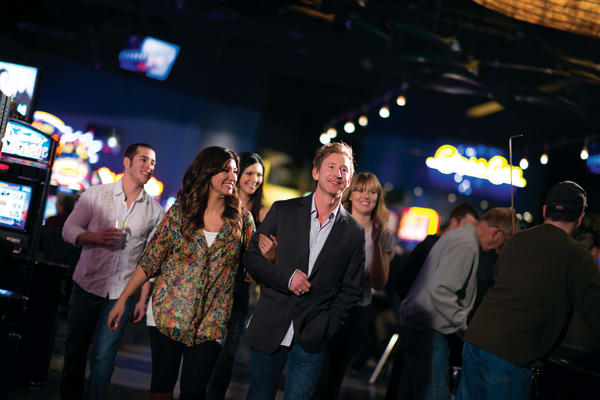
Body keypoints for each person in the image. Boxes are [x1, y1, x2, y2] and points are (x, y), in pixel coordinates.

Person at [107, 146, 255, 400]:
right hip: (168, 313)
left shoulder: (243, 221)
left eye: (234, 171)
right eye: (225, 170)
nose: (232, 177)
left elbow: (251, 271)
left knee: (194, 391)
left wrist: (269, 258)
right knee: (161, 387)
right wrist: (123, 300)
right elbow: (152, 259)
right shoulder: (180, 213)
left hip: (212, 320)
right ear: (207, 172)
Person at [243, 142, 365, 400]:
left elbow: (351, 289)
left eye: (344, 169)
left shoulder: (354, 232)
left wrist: (327, 327)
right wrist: (288, 278)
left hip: (313, 335)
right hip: (271, 324)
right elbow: (252, 258)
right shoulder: (283, 210)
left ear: (350, 179)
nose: (337, 173)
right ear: (316, 172)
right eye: (331, 167)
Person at [457, 181, 600, 400]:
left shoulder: (515, 240)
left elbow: (500, 278)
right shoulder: (579, 257)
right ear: (580, 218)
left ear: (544, 210)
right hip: (512, 354)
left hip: (475, 340)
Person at [60, 143, 164, 400]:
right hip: (87, 285)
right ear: (126, 162)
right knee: (75, 350)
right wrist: (94, 236)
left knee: (104, 356)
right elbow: (68, 229)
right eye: (143, 160)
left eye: (152, 163)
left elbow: (150, 260)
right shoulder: (96, 195)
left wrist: (143, 298)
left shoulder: (155, 211)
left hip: (121, 295)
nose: (148, 167)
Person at [396, 207, 515, 400]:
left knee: (412, 392)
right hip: (429, 329)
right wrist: (462, 324)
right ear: (496, 232)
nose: (497, 249)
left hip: (420, 324)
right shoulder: (467, 244)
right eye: (501, 243)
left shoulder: (462, 237)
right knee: (435, 394)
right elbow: (440, 289)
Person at [311, 171, 395, 399]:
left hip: (356, 312)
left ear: (378, 197)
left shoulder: (384, 235)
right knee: (313, 373)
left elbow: (379, 282)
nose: (365, 195)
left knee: (334, 377)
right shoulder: (334, 222)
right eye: (359, 189)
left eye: (372, 191)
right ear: (350, 193)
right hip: (324, 306)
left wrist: (376, 244)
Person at [385, 203, 479, 400]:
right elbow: (406, 282)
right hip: (424, 321)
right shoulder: (440, 245)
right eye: (467, 226)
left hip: (415, 318)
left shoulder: (443, 246)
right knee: (425, 386)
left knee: (409, 384)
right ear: (454, 221)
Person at [206, 152, 269, 400]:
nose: (254, 179)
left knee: (226, 358)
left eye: (259, 175)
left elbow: (270, 257)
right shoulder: (219, 203)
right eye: (249, 173)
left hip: (239, 292)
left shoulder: (264, 214)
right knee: (203, 354)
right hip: (210, 288)